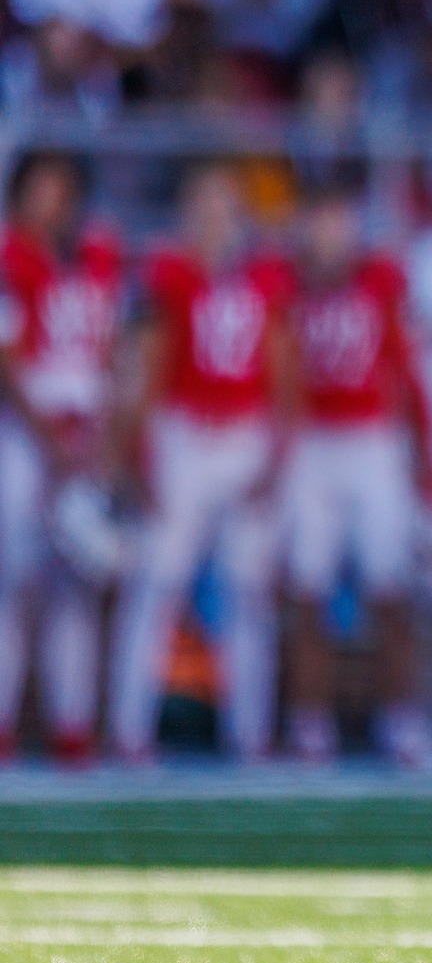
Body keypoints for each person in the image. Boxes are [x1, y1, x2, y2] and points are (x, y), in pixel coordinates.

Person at [110, 163, 297, 763]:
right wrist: (140, 449)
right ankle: (130, 732)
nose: (216, 218)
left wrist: (277, 452)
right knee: (157, 584)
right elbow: (147, 361)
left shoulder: (264, 276)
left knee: (248, 591)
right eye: (205, 205)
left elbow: (282, 364)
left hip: (244, 433)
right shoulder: (170, 272)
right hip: (184, 432)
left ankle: (250, 734)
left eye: (226, 205)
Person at [282, 183, 432, 765]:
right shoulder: (284, 284)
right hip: (311, 444)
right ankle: (309, 724)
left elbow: (410, 371)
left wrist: (431, 459)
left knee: (390, 589)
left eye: (338, 225)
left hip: (373, 440)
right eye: (318, 226)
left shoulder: (381, 281)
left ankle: (401, 718)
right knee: (307, 590)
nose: (328, 239)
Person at [0, 152, 124, 763]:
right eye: (40, 190)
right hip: (25, 436)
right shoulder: (9, 255)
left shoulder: (96, 256)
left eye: (61, 190)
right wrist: (49, 441)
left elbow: (107, 354)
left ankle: (71, 723)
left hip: (82, 432)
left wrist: (97, 437)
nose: (52, 203)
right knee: (13, 582)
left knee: (76, 586)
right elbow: (7, 357)